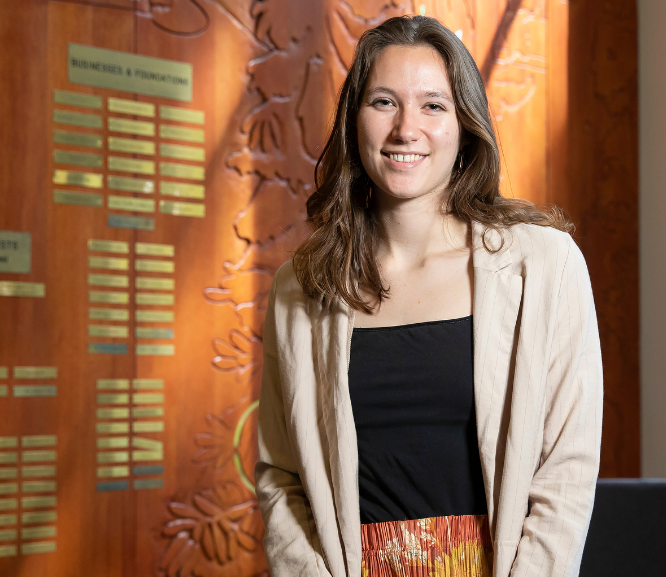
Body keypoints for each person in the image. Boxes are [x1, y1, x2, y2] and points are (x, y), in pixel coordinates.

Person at [255, 14, 603, 577]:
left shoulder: (545, 266)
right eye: (384, 102)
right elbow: (281, 476)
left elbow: (566, 468)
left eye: (433, 105)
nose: (406, 129)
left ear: (464, 124)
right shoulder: (302, 287)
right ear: (353, 121)